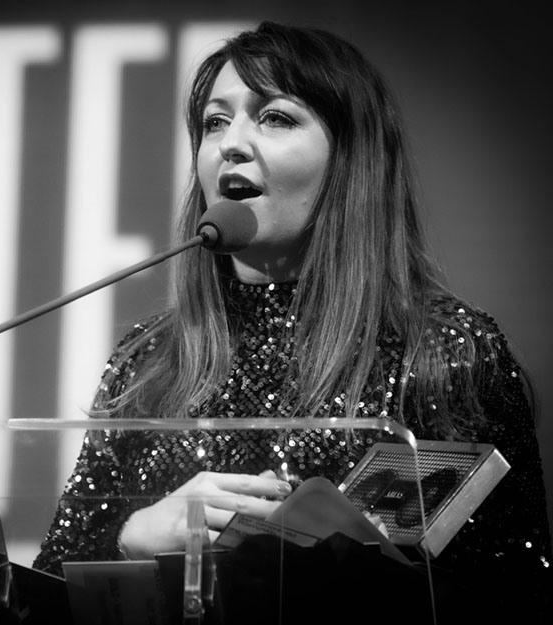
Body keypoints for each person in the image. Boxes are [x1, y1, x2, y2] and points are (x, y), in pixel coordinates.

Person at [32, 21, 552, 620]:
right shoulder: (149, 359)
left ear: (350, 158)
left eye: (275, 117)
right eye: (214, 122)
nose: (231, 144)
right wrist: (134, 536)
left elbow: (517, 594)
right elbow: (43, 594)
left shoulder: (445, 350)